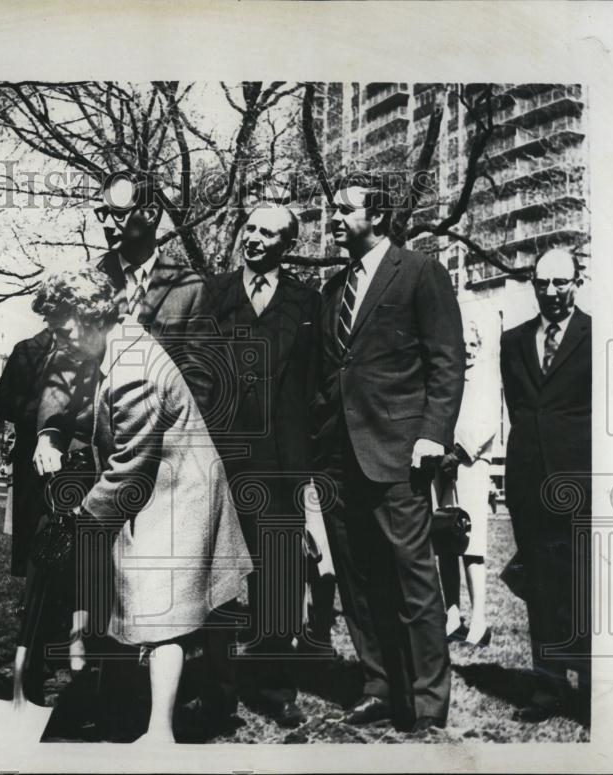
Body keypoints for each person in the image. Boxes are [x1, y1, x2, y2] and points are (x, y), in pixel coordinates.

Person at [53, 266, 253, 744]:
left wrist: (82, 518)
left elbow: (129, 467)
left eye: (62, 330)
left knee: (165, 617)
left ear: (88, 317)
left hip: (181, 497)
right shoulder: (121, 347)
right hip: (164, 492)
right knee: (145, 608)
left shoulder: (132, 368)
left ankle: (160, 732)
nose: (60, 342)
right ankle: (138, 715)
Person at [312, 175, 465, 732]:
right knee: (356, 579)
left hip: (398, 453)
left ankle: (427, 702)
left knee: (413, 577)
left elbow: (447, 360)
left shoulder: (421, 272)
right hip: (336, 457)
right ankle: (378, 684)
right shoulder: (333, 289)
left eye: (343, 209)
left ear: (375, 216)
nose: (332, 218)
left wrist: (433, 433)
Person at [196, 204, 321, 728]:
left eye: (268, 232)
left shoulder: (306, 302)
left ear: (286, 244)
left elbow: (314, 388)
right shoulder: (212, 294)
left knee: (279, 584)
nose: (253, 238)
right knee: (218, 582)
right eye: (249, 227)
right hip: (219, 461)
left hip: (279, 468)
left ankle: (276, 686)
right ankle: (216, 693)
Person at [32, 171, 209, 479]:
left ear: (150, 213)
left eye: (118, 214)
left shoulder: (190, 288)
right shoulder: (86, 279)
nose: (106, 223)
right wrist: (48, 435)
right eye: (103, 213)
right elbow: (60, 364)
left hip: (160, 457)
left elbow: (198, 384)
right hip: (85, 454)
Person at [500, 248, 591, 722]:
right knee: (541, 587)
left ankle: (594, 686)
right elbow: (520, 409)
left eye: (561, 282)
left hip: (581, 488)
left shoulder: (595, 335)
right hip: (528, 486)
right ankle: (549, 686)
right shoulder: (513, 341)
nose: (552, 293)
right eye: (543, 283)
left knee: (585, 587)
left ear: (578, 280)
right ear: (532, 284)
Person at [435, 317, 500, 647]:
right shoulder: (448, 377)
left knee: (471, 544)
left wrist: (458, 454)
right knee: (446, 539)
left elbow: (488, 422)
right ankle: (451, 615)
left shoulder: (487, 377)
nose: (468, 352)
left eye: (473, 345)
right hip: (444, 469)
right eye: (462, 347)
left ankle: (479, 620)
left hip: (471, 466)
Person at [0, 311, 66, 577]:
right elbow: (2, 401)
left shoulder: (85, 350)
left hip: (72, 453)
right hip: (30, 453)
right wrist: (44, 411)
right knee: (32, 526)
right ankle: (31, 598)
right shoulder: (26, 351)